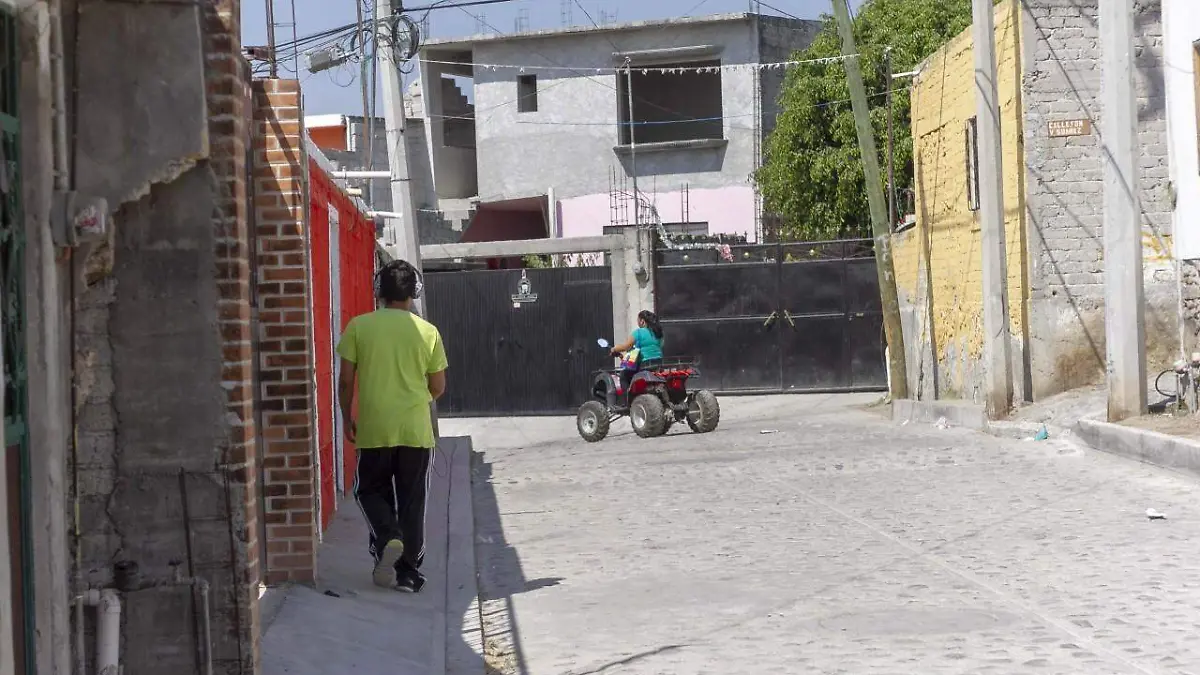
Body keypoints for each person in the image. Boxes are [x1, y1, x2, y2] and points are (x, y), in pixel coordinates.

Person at [337, 259, 448, 592]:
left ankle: (388, 537)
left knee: (369, 490)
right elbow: (438, 386)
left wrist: (346, 415)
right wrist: (415, 400)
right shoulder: (427, 332)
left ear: (378, 292)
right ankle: (408, 573)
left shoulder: (358, 326)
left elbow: (345, 382)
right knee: (413, 501)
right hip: (415, 430)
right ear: (413, 292)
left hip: (374, 428)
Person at [611, 310, 665, 394]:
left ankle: (626, 401)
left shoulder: (638, 333)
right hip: (658, 364)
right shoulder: (658, 333)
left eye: (638, 321)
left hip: (644, 366)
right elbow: (658, 347)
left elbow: (626, 346)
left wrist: (615, 349)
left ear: (642, 321)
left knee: (624, 375)